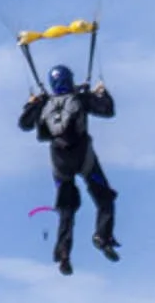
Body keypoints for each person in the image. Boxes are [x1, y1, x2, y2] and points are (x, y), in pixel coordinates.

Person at [19, 64, 116, 274]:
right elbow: (108, 110)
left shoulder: (45, 102)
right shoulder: (81, 98)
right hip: (83, 157)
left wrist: (30, 105)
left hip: (60, 162)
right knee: (105, 198)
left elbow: (24, 124)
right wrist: (102, 93)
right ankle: (103, 236)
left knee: (67, 210)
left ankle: (64, 254)